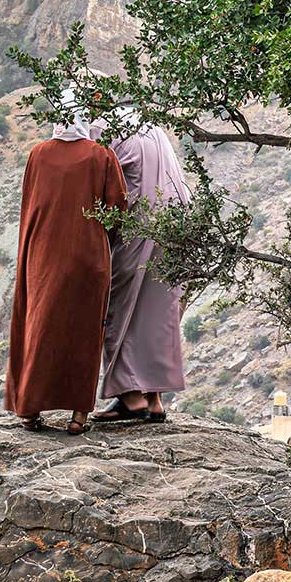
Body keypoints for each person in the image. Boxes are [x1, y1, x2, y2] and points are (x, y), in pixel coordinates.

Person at [3, 97, 127, 434]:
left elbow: (30, 206)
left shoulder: (38, 154)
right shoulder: (101, 155)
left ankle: (29, 410)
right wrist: (102, 241)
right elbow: (117, 209)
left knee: (39, 328)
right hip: (88, 259)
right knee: (83, 334)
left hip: (41, 257)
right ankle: (78, 416)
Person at [91, 105, 192, 424]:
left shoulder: (102, 130)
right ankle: (156, 399)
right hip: (174, 226)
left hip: (138, 228)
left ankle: (132, 399)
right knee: (157, 312)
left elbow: (102, 189)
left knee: (119, 307)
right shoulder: (149, 125)